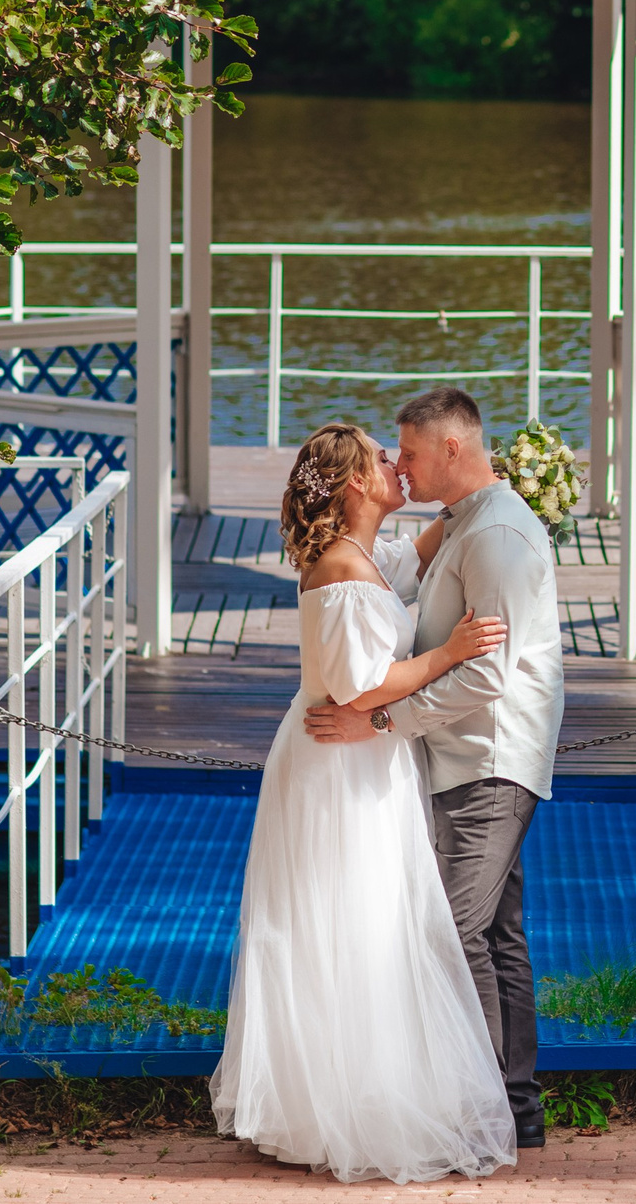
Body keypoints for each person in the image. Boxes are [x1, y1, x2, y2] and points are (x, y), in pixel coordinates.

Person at [210, 422, 519, 1184]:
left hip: (360, 757)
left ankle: (358, 1091)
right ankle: (341, 1108)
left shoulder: (361, 559)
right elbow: (359, 687)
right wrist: (448, 654)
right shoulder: (341, 573)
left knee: (368, 921)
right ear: (355, 483)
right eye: (385, 458)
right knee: (349, 922)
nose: (396, 465)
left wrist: (489, 486)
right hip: (338, 763)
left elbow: (416, 553)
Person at [305, 386, 567, 1151]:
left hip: (488, 761)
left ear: (452, 448)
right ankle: (514, 1108)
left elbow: (491, 674)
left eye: (411, 453)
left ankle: (480, 1107)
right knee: (497, 934)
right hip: (460, 755)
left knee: (453, 932)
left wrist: (381, 719)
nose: (405, 468)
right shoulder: (462, 524)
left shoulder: (498, 540)